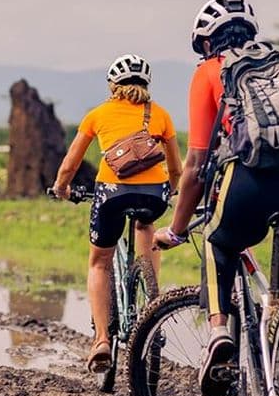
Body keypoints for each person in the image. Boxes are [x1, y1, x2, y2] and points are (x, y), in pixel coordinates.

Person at [153, 0, 279, 396]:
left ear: (207, 43)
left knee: (218, 242)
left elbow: (195, 166)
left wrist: (173, 230)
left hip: (255, 180)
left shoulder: (210, 71)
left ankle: (219, 332)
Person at [52, 54, 182, 373]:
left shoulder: (97, 114)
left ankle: (100, 340)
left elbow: (70, 164)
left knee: (99, 263)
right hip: (154, 195)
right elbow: (177, 168)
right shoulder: (161, 115)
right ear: (146, 84)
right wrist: (173, 189)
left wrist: (61, 188)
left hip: (111, 194)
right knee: (145, 226)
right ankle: (151, 303)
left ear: (113, 85)